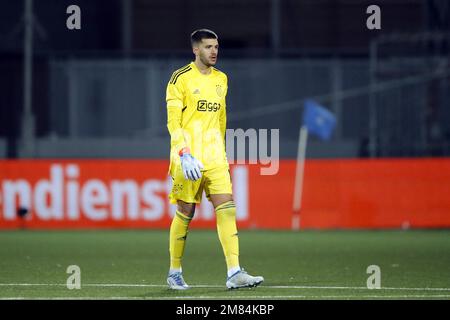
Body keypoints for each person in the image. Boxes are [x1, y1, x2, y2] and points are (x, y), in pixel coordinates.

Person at [165, 29, 264, 290]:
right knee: (186, 212)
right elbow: (173, 122)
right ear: (195, 49)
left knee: (228, 207)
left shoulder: (222, 79)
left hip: (215, 156)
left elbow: (221, 119)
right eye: (208, 47)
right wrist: (183, 153)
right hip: (188, 157)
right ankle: (174, 271)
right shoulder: (180, 78)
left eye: (216, 46)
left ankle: (234, 272)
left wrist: (221, 151)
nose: (214, 51)